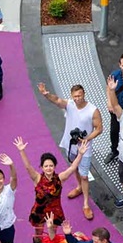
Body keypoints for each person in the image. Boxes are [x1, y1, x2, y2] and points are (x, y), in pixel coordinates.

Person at [37, 82, 101, 221]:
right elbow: (57, 101)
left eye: (79, 95)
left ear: (84, 94)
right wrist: (46, 94)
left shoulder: (93, 110)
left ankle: (85, 204)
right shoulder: (70, 105)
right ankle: (79, 187)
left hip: (85, 149)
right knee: (74, 169)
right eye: (75, 96)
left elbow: (99, 128)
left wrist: (86, 139)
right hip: (70, 145)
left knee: (84, 176)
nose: (77, 98)